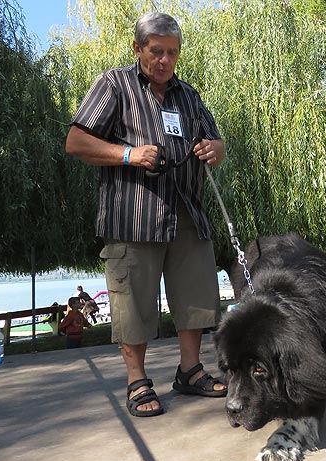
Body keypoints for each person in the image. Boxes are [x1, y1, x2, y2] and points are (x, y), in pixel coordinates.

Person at [65, 12, 227, 417]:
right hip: (132, 217)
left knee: (195, 298)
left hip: (187, 213)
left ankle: (190, 371)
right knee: (133, 304)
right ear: (138, 49)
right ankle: (137, 381)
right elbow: (75, 141)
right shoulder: (114, 84)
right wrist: (128, 154)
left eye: (172, 53)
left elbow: (216, 142)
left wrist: (215, 150)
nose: (165, 61)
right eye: (156, 52)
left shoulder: (188, 96)